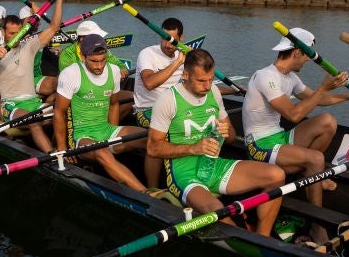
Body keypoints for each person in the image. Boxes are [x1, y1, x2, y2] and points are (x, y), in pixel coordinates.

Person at [242, 27, 349, 244]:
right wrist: (323, 87)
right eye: (307, 56)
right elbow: (294, 114)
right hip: (259, 145)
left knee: (327, 121)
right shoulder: (266, 76)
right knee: (316, 159)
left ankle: (309, 175)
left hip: (279, 137)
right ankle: (316, 225)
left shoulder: (290, 77)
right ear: (297, 52)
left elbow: (317, 99)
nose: (307, 61)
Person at [148, 49, 285, 237]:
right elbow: (153, 148)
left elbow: (231, 137)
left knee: (276, 175)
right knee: (217, 212)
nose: (207, 86)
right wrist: (193, 148)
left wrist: (226, 131)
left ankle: (263, 239)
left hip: (213, 165)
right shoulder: (168, 99)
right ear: (185, 75)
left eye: (211, 79)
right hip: (184, 174)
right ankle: (242, 240)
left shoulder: (213, 92)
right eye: (201, 81)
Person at [53, 33, 149, 192]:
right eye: (94, 61)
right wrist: (62, 148)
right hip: (82, 136)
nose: (99, 66)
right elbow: (59, 112)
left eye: (103, 60)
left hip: (105, 129)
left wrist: (114, 136)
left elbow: (114, 104)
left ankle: (156, 185)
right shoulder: (71, 74)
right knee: (102, 152)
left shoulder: (114, 71)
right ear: (83, 57)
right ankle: (147, 195)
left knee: (151, 138)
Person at [0, 0, 69, 152]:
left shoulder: (29, 46)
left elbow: (53, 28)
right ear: (3, 32)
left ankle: (61, 149)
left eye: (19, 33)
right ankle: (53, 157)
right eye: (11, 33)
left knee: (63, 113)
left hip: (33, 102)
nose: (16, 37)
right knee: (33, 121)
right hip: (10, 105)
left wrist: (59, 1)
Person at [131, 18, 186, 188]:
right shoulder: (147, 54)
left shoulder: (185, 54)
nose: (168, 44)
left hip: (175, 109)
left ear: (181, 38)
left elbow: (201, 83)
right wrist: (177, 63)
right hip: (146, 110)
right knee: (160, 136)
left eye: (173, 40)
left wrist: (236, 90)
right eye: (164, 38)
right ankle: (153, 188)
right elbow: (149, 83)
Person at [57, 20, 132, 119]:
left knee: (131, 97)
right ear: (82, 39)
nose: (99, 40)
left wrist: (122, 69)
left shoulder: (101, 50)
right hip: (79, 94)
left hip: (101, 89)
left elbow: (116, 62)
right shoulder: (67, 55)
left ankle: (105, 121)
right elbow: (69, 80)